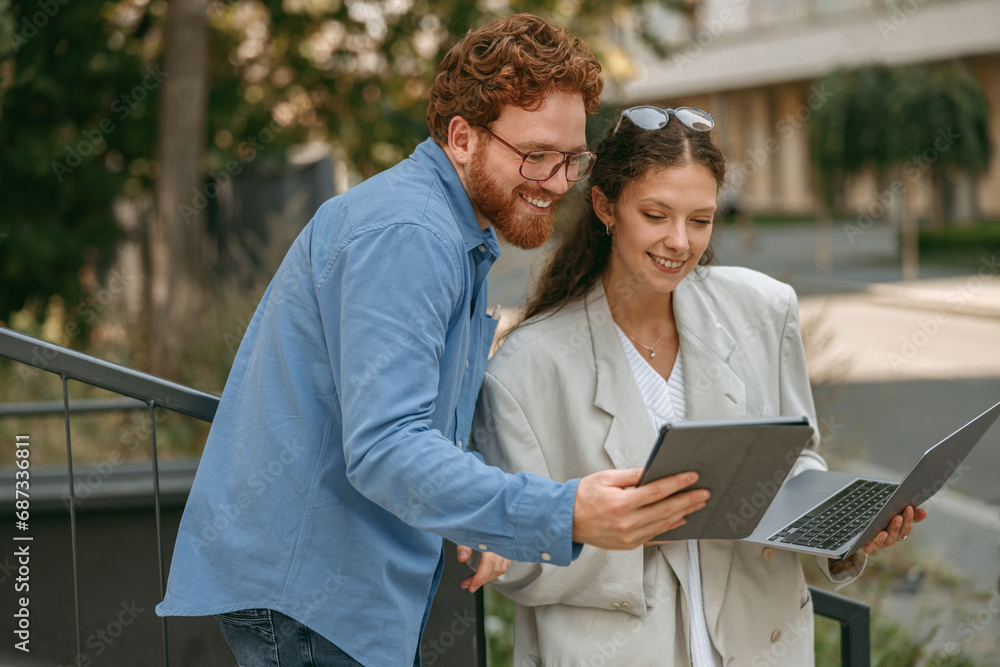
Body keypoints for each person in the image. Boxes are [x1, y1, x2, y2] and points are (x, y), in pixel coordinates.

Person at [156, 15, 710, 667]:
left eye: (571, 160)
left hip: (321, 596)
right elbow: (387, 446)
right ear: (461, 137)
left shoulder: (448, 226)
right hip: (310, 597)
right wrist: (561, 513)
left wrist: (480, 515)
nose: (559, 182)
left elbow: (420, 419)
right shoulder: (411, 232)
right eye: (535, 155)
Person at [471, 105, 926, 666]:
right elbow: (514, 561)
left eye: (701, 219)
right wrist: (628, 530)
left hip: (762, 644)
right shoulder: (525, 368)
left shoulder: (762, 307)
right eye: (656, 215)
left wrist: (843, 527)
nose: (680, 242)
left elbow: (797, 455)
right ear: (604, 206)